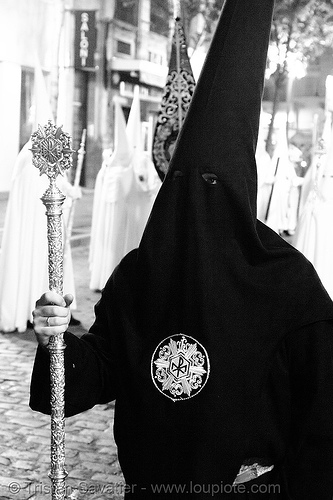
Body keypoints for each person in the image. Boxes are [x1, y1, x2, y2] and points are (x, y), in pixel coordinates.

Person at [30, 0, 333, 498]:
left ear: (240, 194)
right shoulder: (143, 273)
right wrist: (56, 342)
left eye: (213, 185)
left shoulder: (288, 285)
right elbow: (92, 376)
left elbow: (322, 432)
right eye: (186, 185)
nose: (197, 202)